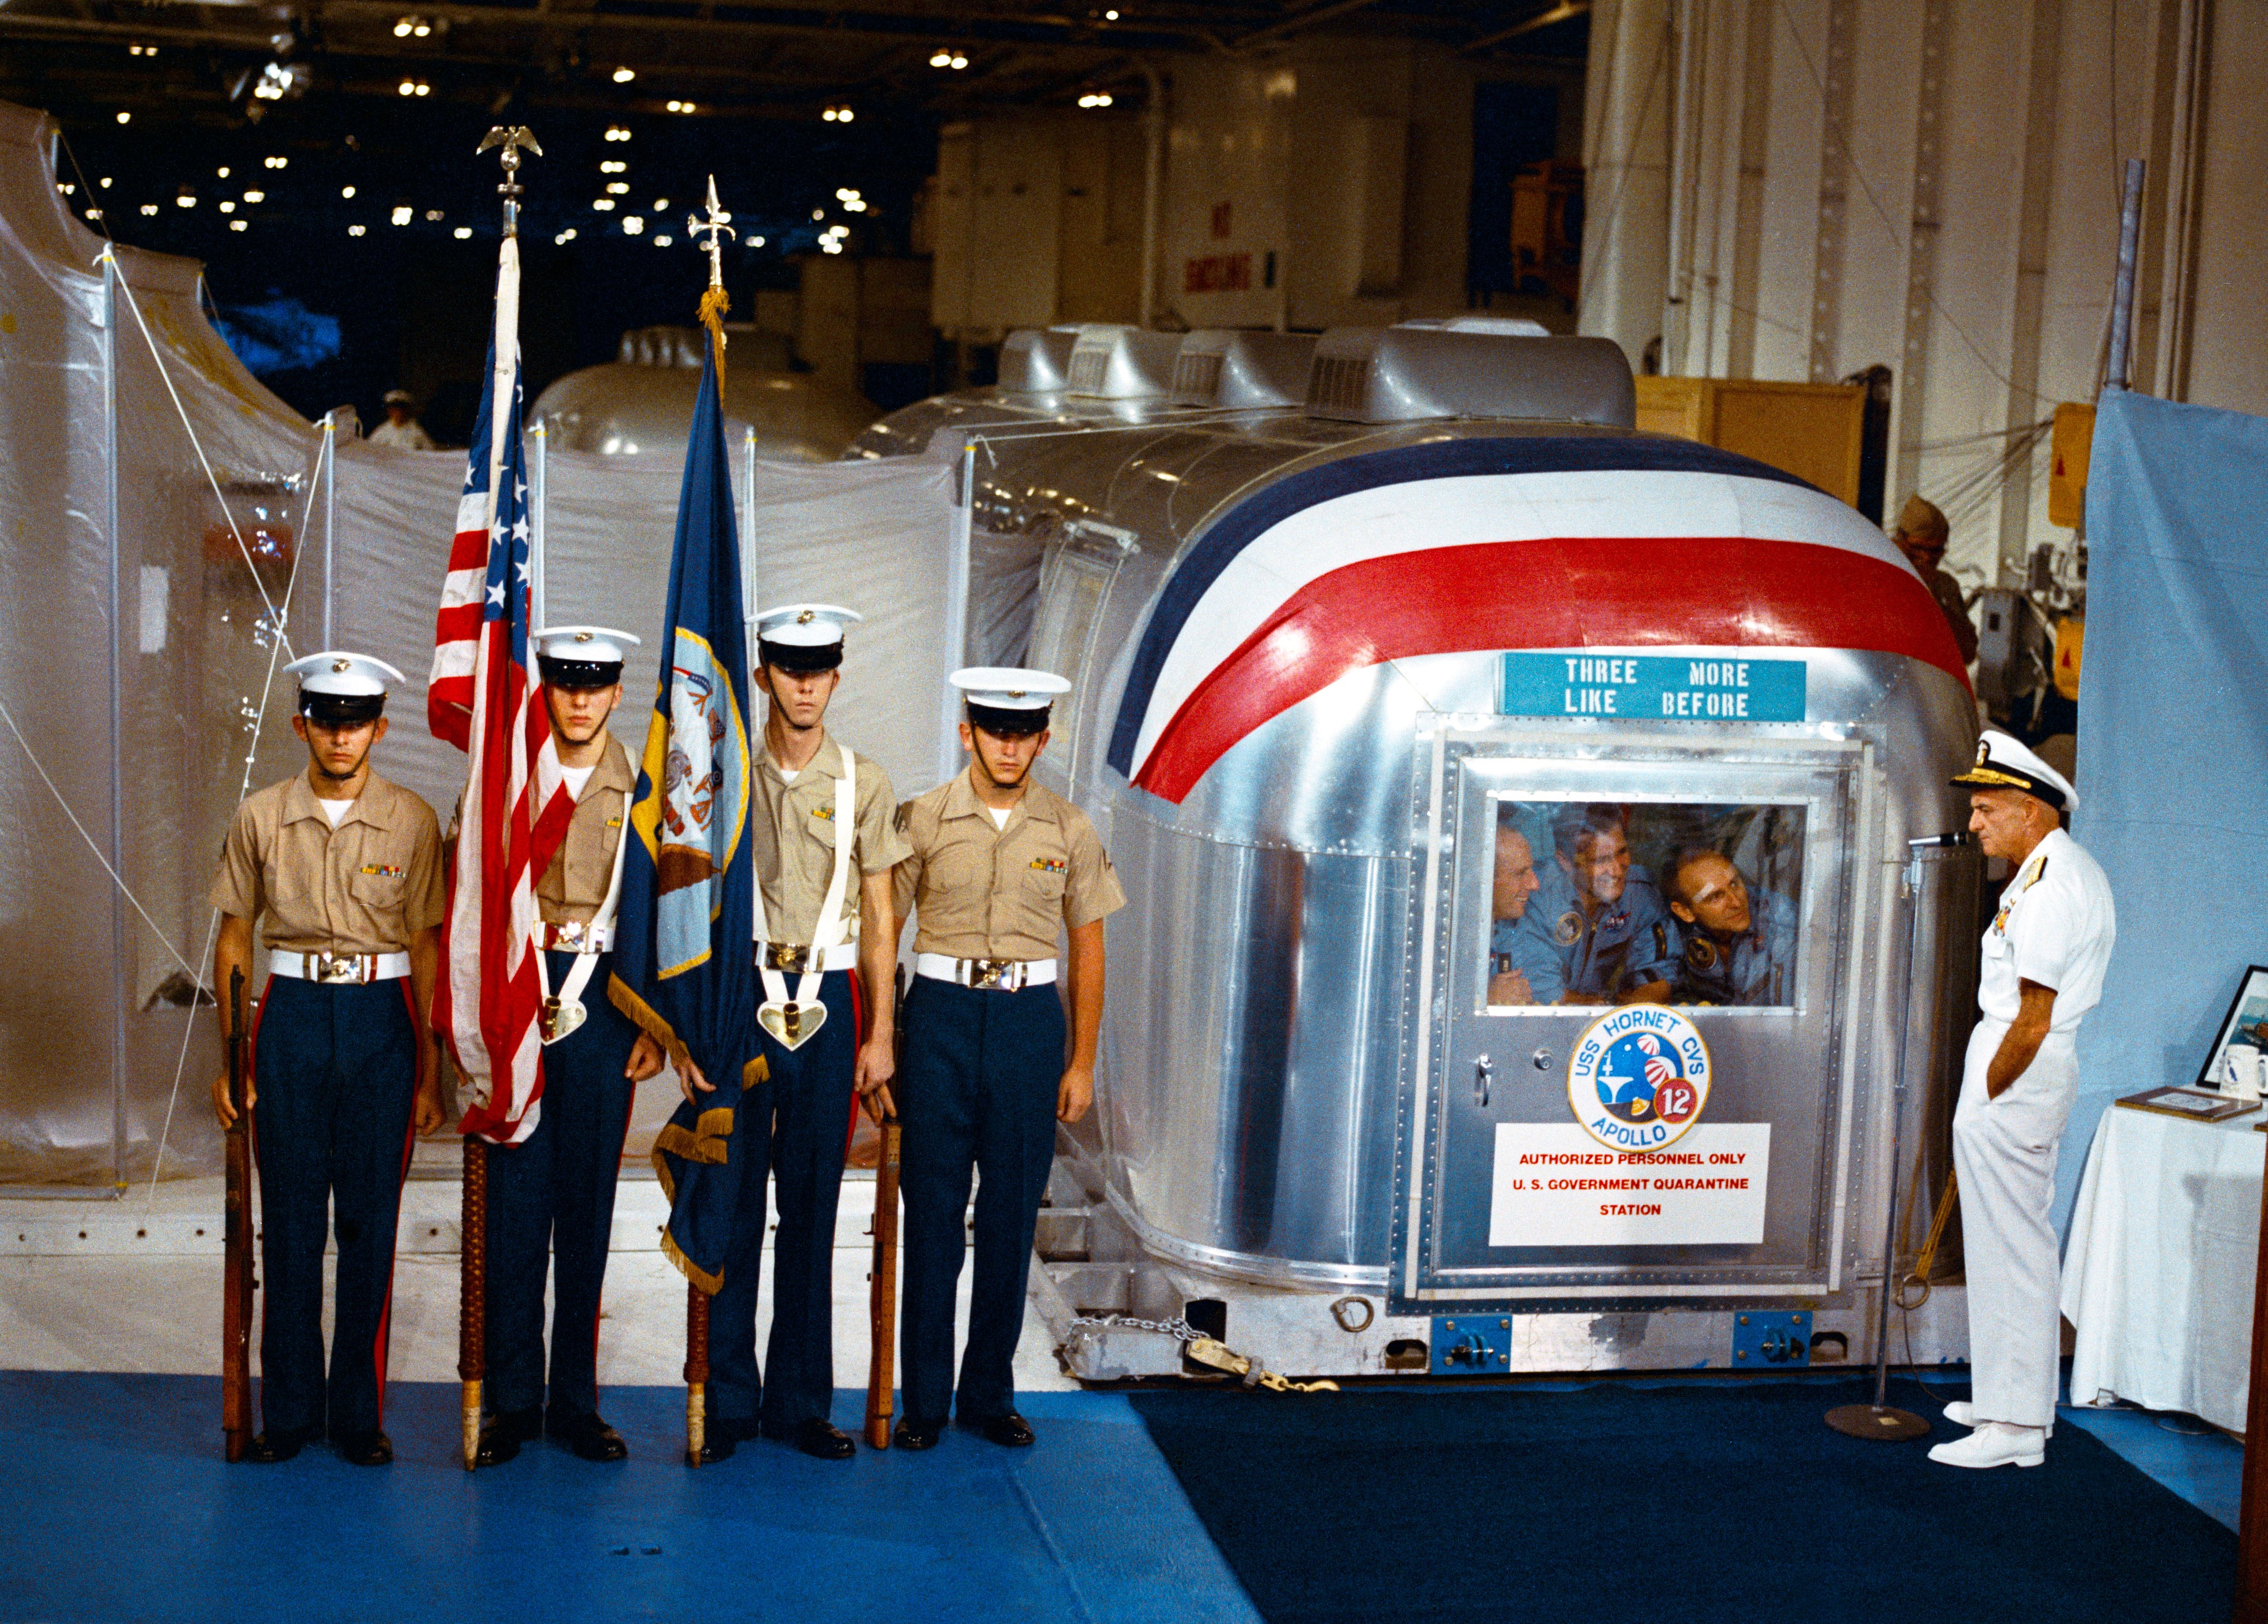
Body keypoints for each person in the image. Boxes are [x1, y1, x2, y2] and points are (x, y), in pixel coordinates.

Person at [679, 604, 907, 1463]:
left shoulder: (864, 781)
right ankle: (730, 1399)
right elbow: (684, 897)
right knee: (732, 1200)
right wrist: (690, 1021)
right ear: (765, 673)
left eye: (820, 668)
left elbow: (883, 916)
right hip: (741, 995)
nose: (805, 683)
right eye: (789, 666)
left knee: (811, 1209)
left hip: (828, 1000)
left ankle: (801, 1403)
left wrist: (881, 1034)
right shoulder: (720, 776)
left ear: (837, 677)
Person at [206, 652, 444, 1465]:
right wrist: (235, 1053)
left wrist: (431, 1069)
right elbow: (236, 934)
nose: (341, 736)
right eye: (326, 719)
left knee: (370, 1223)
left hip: (384, 1019)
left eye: (357, 721)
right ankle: (291, 1412)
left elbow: (425, 942)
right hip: (293, 1018)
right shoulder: (261, 816)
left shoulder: (412, 820)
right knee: (294, 1225)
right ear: (300, 722)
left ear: (381, 727)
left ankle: (356, 1417)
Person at [890, 668, 1125, 1450]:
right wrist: (882, 1041)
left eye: (1024, 734)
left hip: (1029, 1027)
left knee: (1007, 1219)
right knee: (929, 1213)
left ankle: (987, 1395)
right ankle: (921, 1400)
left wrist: (1081, 1060)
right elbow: (879, 934)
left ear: (1044, 742)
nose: (1009, 746)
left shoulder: (1070, 830)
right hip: (939, 1024)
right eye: (995, 730)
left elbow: (1088, 952)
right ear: (968, 733)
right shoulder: (920, 819)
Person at [474, 628, 666, 1467]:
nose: (580, 700)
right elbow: (475, 899)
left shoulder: (645, 790)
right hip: (522, 993)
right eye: (564, 683)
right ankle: (513, 1402)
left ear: (618, 693)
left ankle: (575, 1403)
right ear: (543, 689)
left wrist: (655, 1023)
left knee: (587, 1211)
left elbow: (666, 911)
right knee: (518, 1209)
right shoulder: (507, 781)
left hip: (603, 1004)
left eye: (596, 685)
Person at [1930, 730, 2115, 1470]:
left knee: (2012, 1247)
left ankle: (2012, 1428)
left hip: (2017, 1070)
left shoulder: (2048, 891)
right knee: (2009, 1243)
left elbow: (2032, 1020)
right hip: (2021, 1067)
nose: (1975, 824)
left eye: (1986, 810)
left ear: (2031, 811)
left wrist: (1986, 1095)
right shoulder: (2053, 871)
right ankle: (2010, 1397)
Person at [1512, 804, 1679, 1004]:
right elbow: (1543, 994)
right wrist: (1605, 1008)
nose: (1617, 871)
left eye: (1622, 852)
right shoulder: (1535, 895)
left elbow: (1660, 973)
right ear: (1565, 861)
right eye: (1601, 860)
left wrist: (1636, 1005)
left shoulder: (1639, 892)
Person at [1664, 847, 1797, 1006]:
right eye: (1715, 897)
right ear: (1685, 912)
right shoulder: (1673, 932)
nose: (1736, 902)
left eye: (1734, 884)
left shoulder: (1782, 925)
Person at [1892, 493, 1979, 666]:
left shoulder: (1945, 586)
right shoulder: (1881, 573)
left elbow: (1967, 653)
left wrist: (1932, 599)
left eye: (1936, 550)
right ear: (1900, 540)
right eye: (1918, 548)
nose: (1926, 557)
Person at [1487, 819, 1561, 1005]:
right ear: (1486, 876)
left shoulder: (1511, 929)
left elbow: (1549, 996)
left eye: (1532, 870)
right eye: (1520, 874)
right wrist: (1487, 999)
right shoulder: (1446, 935)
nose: (1535, 884)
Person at [367, 389, 437, 451]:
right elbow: (369, 451)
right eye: (394, 407)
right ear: (389, 410)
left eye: (401, 407)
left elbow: (430, 452)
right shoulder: (381, 432)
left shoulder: (416, 432)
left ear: (407, 410)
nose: (398, 411)